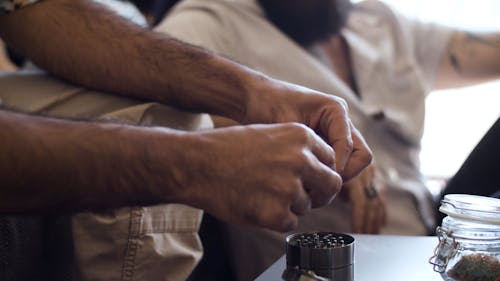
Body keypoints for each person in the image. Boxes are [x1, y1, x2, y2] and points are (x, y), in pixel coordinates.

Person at [0, 0, 373, 280]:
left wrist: (255, 93)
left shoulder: (376, 24)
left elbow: (31, 9)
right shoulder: (210, 17)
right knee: (160, 116)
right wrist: (193, 164)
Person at [152, 0, 500, 279]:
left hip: (430, 239)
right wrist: (311, 139)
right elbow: (144, 113)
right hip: (335, 266)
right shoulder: (208, 23)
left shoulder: (376, 18)